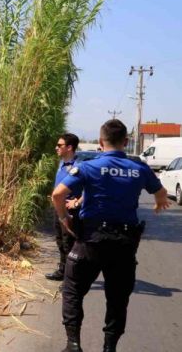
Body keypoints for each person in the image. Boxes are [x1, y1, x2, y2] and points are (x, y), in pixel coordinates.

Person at [52, 119, 170, 352]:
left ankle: (73, 344)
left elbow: (58, 194)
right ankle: (109, 347)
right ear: (126, 142)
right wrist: (159, 202)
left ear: (100, 142)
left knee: (72, 290)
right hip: (124, 245)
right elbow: (161, 191)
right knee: (117, 300)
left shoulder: (88, 167)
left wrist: (65, 218)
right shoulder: (140, 169)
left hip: (91, 241)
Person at [46, 133, 84, 281]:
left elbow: (90, 188)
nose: (56, 148)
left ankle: (72, 278)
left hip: (70, 211)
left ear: (69, 147)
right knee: (60, 241)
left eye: (59, 145)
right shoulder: (61, 163)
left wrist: (77, 202)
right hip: (59, 208)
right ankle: (63, 271)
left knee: (70, 244)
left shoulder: (78, 167)